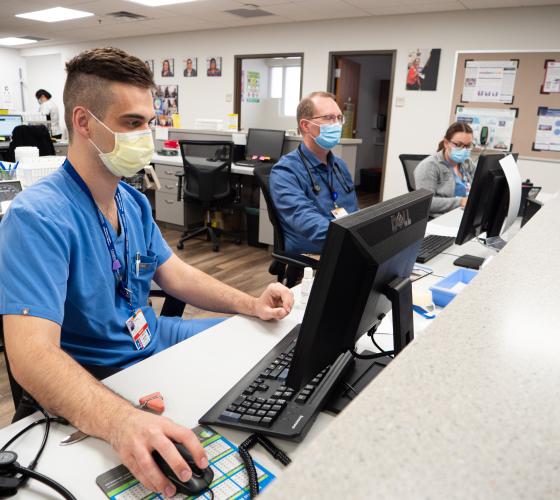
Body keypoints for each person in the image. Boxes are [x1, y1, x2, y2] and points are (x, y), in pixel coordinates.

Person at [0, 47, 293, 498]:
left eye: (150, 122)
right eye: (133, 124)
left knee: (259, 344)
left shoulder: (131, 202)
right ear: (83, 122)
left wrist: (248, 303)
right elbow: (30, 357)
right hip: (103, 374)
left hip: (153, 341)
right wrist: (120, 422)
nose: (147, 136)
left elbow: (175, 274)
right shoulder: (38, 217)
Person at [269, 91, 358, 254]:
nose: (337, 124)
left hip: (347, 247)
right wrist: (356, 243)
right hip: (315, 254)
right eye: (329, 118)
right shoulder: (285, 172)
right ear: (305, 125)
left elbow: (354, 215)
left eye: (339, 118)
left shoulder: (340, 167)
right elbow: (310, 225)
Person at [414, 122, 476, 217]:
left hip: (463, 214)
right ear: (446, 143)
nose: (464, 150)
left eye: (468, 146)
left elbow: (480, 186)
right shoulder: (429, 166)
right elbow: (426, 203)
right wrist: (461, 202)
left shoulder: (466, 162)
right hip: (439, 219)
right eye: (458, 145)